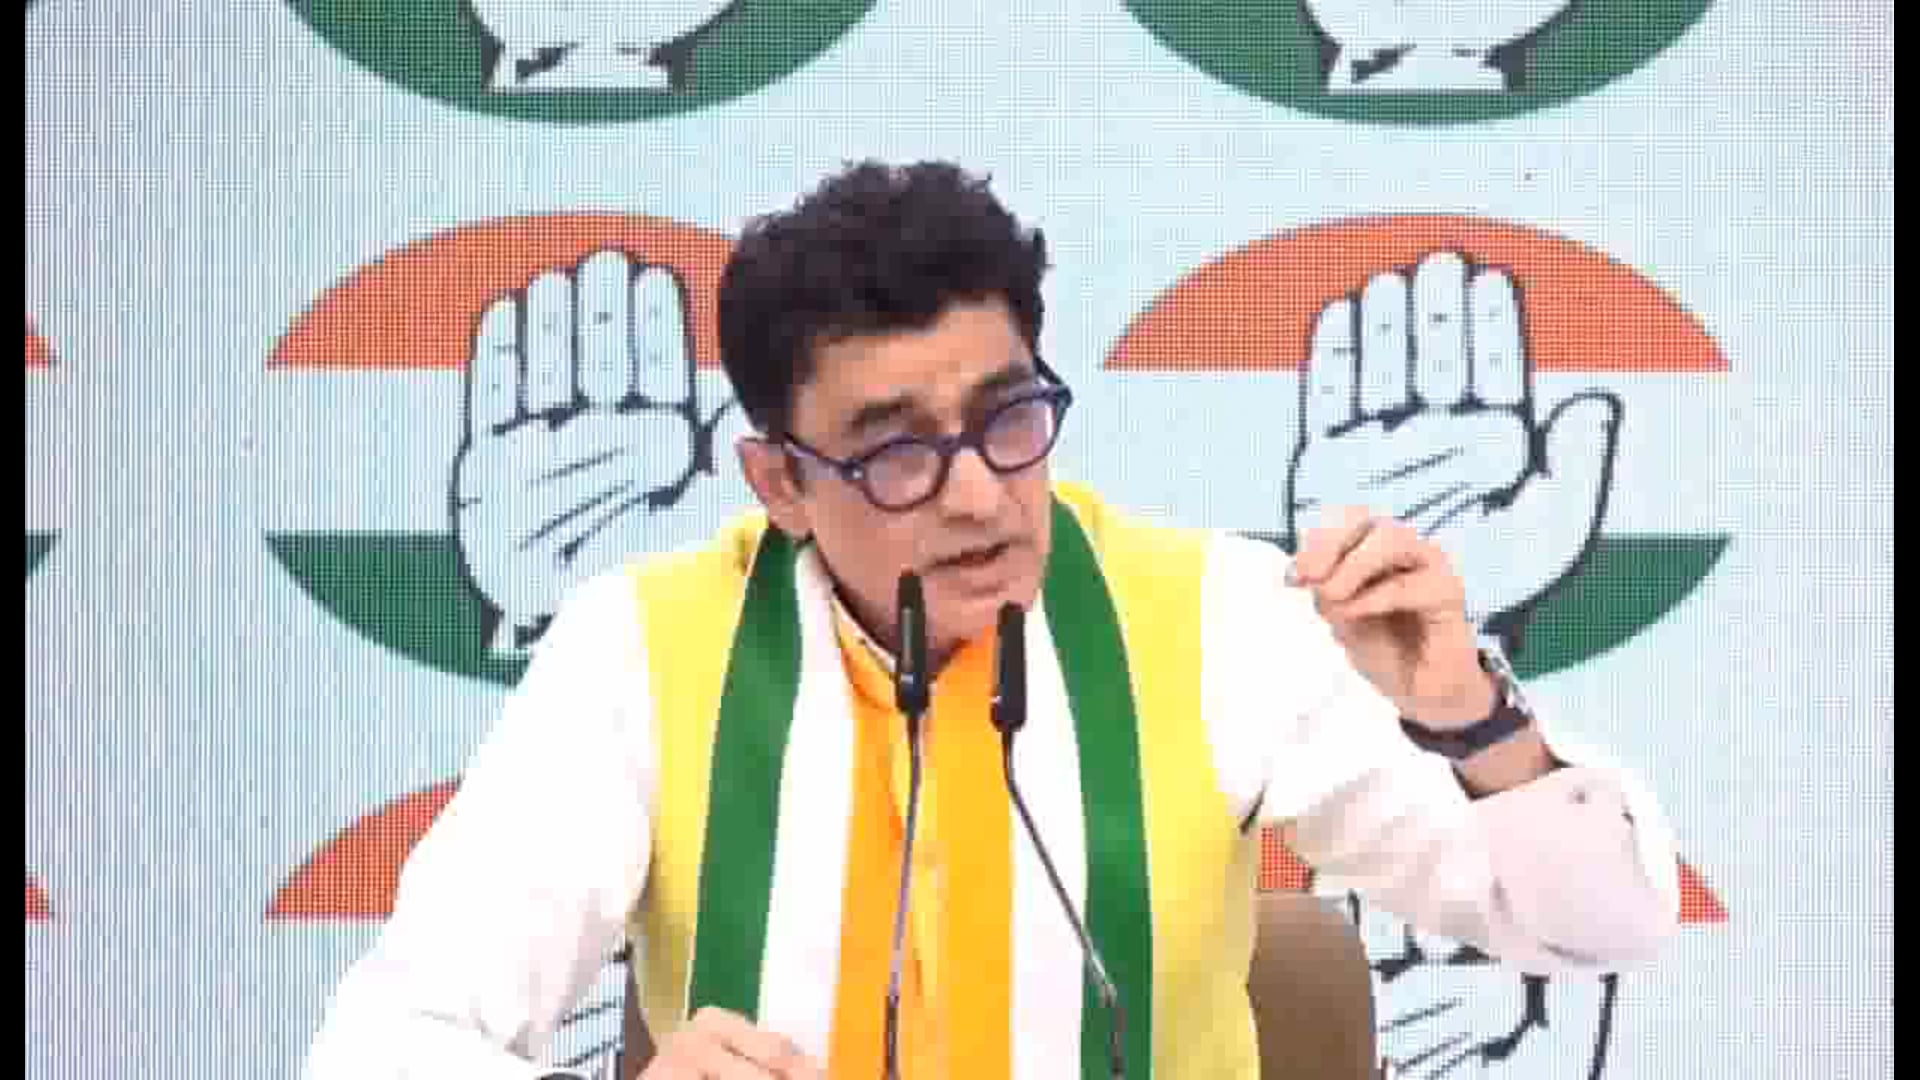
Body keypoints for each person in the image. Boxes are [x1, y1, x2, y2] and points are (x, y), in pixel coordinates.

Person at [300, 160, 1682, 1080]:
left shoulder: (1218, 618)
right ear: (780, 483)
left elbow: (1600, 925)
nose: (976, 495)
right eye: (894, 449)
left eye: (1008, 417)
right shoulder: (643, 650)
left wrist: (1471, 717)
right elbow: (387, 1042)